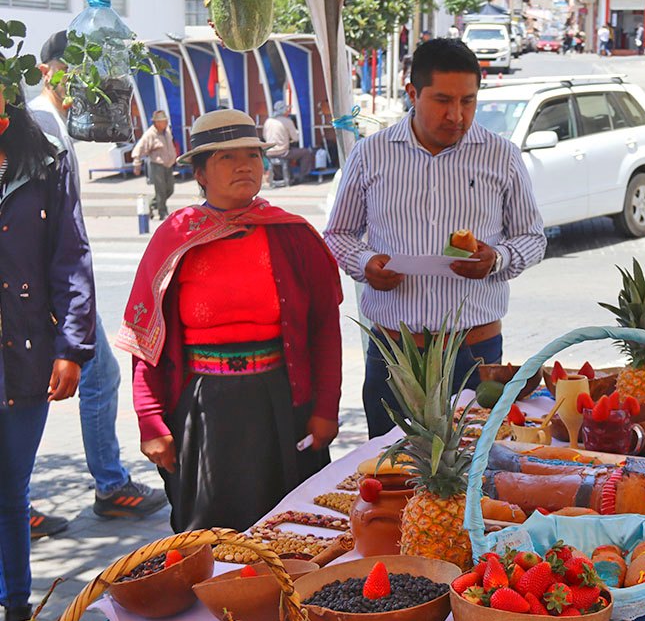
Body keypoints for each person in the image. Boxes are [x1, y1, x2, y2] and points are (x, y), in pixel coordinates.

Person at [116, 110, 342, 533]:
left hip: (280, 404)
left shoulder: (292, 235)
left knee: (291, 532)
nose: (244, 166)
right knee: (213, 539)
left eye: (252, 156)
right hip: (204, 412)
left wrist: (326, 406)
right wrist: (150, 421)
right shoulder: (175, 239)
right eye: (226, 157)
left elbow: (324, 329)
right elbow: (148, 342)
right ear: (199, 173)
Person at [324, 38, 546, 439]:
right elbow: (338, 233)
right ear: (412, 93)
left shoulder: (501, 155)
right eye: (443, 100)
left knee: (473, 473)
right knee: (386, 473)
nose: (456, 115)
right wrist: (365, 264)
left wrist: (496, 259)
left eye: (468, 101)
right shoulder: (371, 154)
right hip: (394, 352)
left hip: (474, 355)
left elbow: (532, 237)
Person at [29, 31, 166, 528]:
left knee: (95, 376)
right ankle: (99, 487)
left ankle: (103, 485)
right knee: (40, 389)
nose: (83, 84)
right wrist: (57, 305)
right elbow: (49, 230)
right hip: (44, 293)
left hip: (47, 290)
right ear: (47, 70)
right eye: (73, 71)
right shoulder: (42, 126)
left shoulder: (50, 124)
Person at [0, 83, 96, 621]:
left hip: (25, 352)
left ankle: (15, 610)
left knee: (11, 487)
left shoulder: (47, 160)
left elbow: (72, 256)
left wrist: (73, 348)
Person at [132, 110, 177, 220]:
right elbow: (139, 148)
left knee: (170, 189)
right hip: (157, 165)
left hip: (169, 164)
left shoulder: (167, 131)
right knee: (160, 189)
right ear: (157, 123)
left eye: (166, 121)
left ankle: (153, 205)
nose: (166, 123)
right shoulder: (150, 134)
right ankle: (163, 212)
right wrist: (137, 163)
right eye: (163, 121)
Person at [263, 100, 314, 185]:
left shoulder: (268, 121)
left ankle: (283, 177)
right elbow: (296, 138)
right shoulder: (287, 121)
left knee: (288, 154)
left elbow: (265, 136)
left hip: (269, 152)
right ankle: (303, 176)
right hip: (282, 152)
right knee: (306, 152)